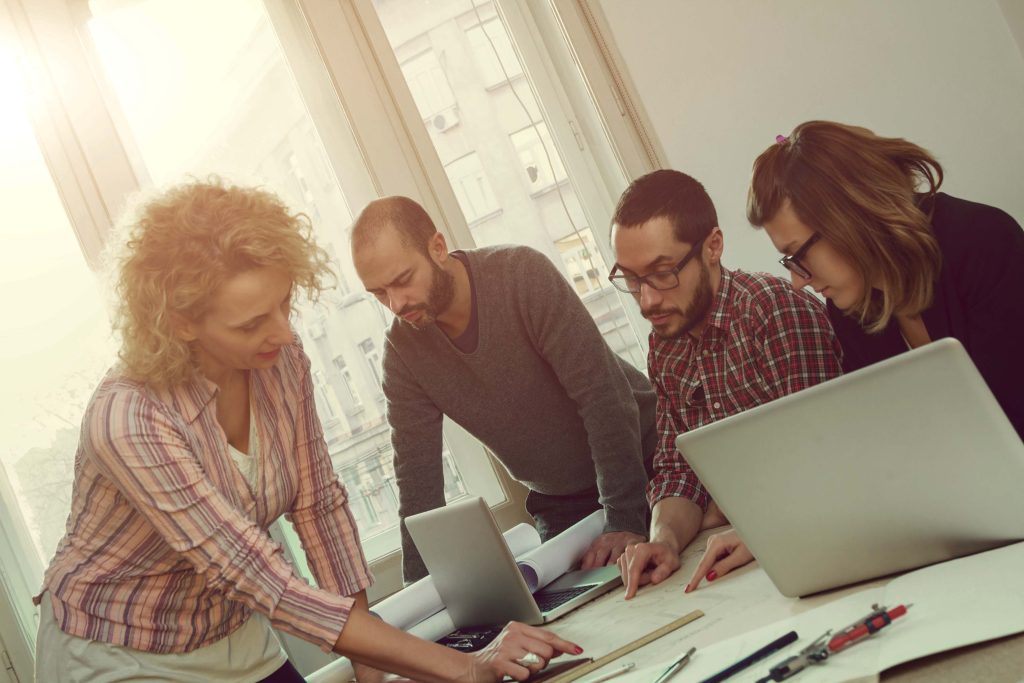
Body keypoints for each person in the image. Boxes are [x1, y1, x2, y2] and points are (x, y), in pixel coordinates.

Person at [34, 179, 579, 683]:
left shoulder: (282, 360)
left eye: (284, 303)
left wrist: (374, 673)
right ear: (180, 324)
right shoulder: (129, 419)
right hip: (116, 652)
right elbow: (258, 575)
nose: (283, 332)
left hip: (229, 633)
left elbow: (318, 506)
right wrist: (466, 669)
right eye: (251, 322)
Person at [690, 119, 1024, 591]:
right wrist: (781, 529)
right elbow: (880, 447)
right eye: (788, 264)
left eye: (797, 256)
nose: (798, 281)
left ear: (849, 216)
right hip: (971, 533)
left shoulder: (983, 242)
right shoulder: (850, 304)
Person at [350, 196, 658, 583]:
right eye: (379, 293)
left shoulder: (521, 274)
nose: (395, 303)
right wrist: (420, 594)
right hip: (561, 504)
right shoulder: (402, 350)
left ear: (437, 248)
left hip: (645, 460)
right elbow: (417, 481)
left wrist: (625, 519)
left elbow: (605, 400)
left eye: (402, 280)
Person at [609, 169, 843, 598]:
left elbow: (824, 461)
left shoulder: (774, 312)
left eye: (662, 273)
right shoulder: (666, 344)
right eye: (631, 279)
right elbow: (679, 472)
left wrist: (727, 509)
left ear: (713, 246)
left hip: (818, 539)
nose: (647, 300)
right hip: (747, 548)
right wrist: (664, 539)